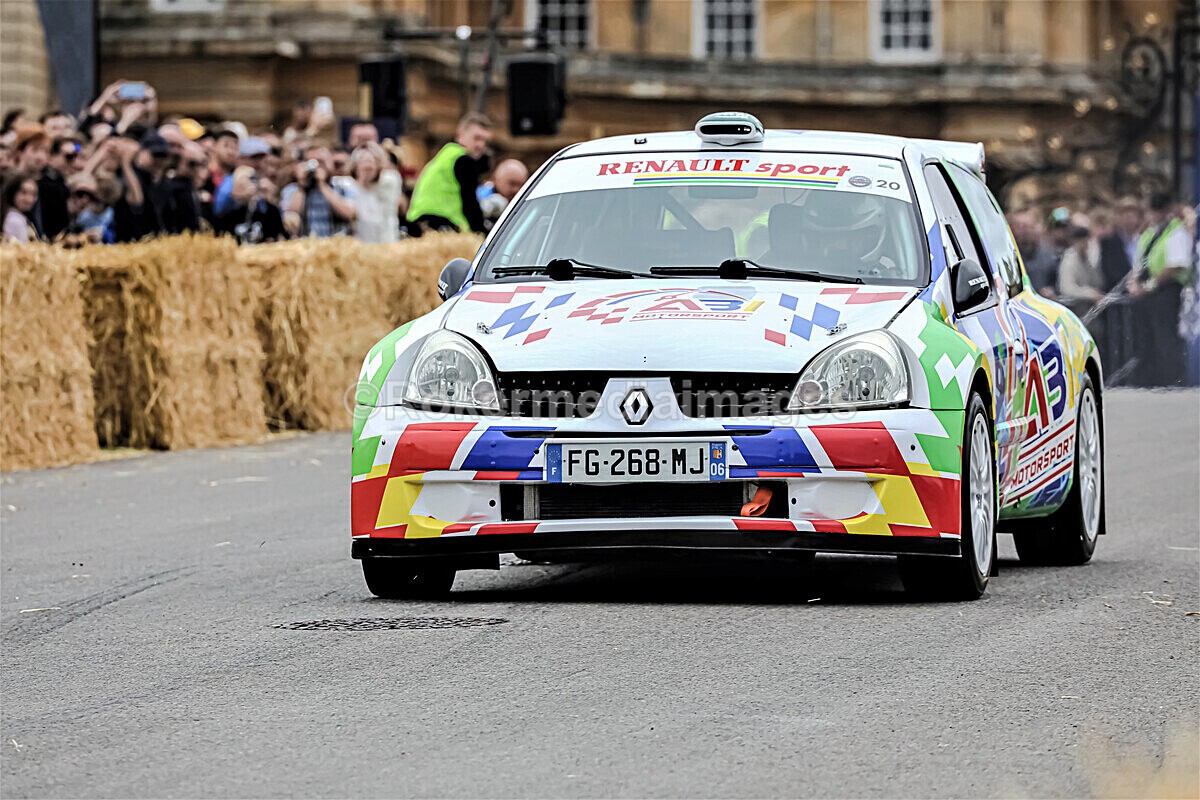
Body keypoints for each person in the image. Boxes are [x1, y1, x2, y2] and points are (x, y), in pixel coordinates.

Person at [1128, 193, 1194, 385]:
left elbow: (1174, 267)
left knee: (1165, 336)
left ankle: (1171, 380)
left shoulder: (1176, 232)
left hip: (1166, 291)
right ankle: (1150, 379)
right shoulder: (1149, 233)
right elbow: (1140, 262)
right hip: (1146, 291)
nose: (1155, 214)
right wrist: (1134, 282)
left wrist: (1148, 286)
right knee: (1147, 337)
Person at [406, 113, 492, 235]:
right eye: (477, 138)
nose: (481, 145)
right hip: (442, 224)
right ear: (461, 135)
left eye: (485, 141)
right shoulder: (464, 161)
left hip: (419, 222)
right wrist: (482, 234)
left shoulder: (445, 156)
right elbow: (470, 203)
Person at [280, 142, 355, 237]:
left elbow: (350, 212)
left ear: (331, 163)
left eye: (321, 162)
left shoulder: (344, 185)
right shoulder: (293, 189)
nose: (316, 167)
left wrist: (322, 185)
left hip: (338, 243)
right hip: (306, 244)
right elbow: (290, 218)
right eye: (311, 162)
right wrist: (302, 184)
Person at [339, 143, 403, 243]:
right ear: (355, 165)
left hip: (386, 242)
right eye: (363, 161)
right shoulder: (346, 186)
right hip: (358, 244)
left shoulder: (390, 182)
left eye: (372, 161)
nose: (368, 165)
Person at [1057, 224, 1105, 319]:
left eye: (1086, 241)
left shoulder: (1090, 258)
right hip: (1074, 311)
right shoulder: (1068, 260)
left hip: (1090, 311)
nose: (1084, 244)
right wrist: (1089, 293)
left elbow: (1099, 282)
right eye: (1080, 241)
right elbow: (1066, 288)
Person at [1008, 210, 1058, 296]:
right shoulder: (1010, 256)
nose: (1025, 231)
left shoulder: (1048, 254)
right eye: (1020, 227)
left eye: (1028, 227)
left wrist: (1051, 290)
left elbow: (1056, 282)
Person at [1099, 196, 1142, 292]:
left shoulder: (1145, 239)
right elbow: (1111, 272)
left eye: (1132, 212)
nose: (1128, 216)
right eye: (1123, 213)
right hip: (1119, 292)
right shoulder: (1108, 242)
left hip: (1143, 292)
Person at [477, 158, 529, 227]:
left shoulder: (526, 205)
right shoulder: (480, 196)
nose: (516, 190)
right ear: (497, 179)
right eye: (512, 183)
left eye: (521, 185)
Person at [2, 174, 39, 243]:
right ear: (13, 192)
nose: (29, 199)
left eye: (33, 194)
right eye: (24, 193)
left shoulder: (20, 217)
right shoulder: (15, 220)